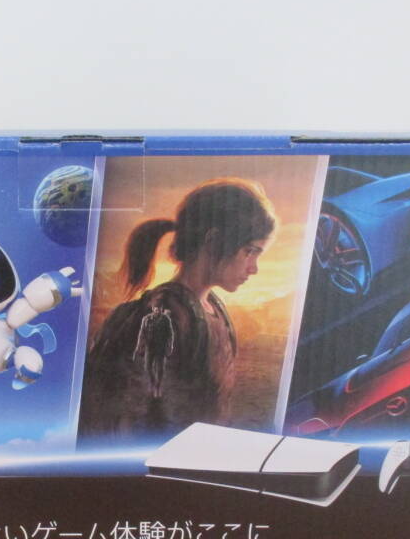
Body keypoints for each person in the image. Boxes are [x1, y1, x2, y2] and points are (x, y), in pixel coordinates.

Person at [79, 178, 277, 442]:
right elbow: (129, 415)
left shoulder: (215, 310)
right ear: (213, 241)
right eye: (249, 251)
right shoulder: (163, 314)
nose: (254, 268)